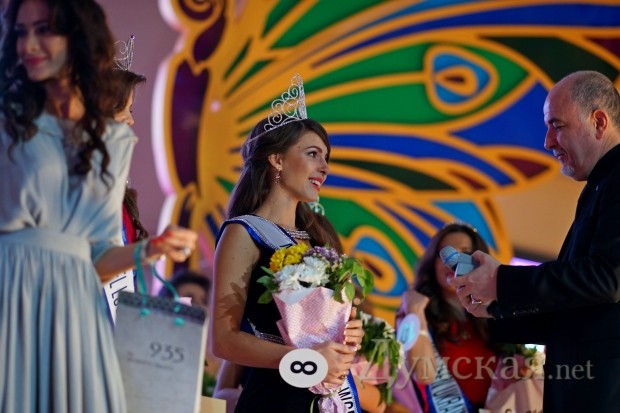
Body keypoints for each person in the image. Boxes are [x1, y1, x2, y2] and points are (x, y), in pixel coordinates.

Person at [0, 1, 196, 411]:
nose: (29, 44)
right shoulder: (10, 123)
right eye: (21, 31)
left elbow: (97, 259)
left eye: (44, 30)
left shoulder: (108, 145)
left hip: (73, 318)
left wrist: (150, 249)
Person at [450, 70, 620, 412]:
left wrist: (501, 281)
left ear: (599, 122)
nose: (547, 142)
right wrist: (494, 306)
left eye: (557, 126)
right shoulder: (600, 185)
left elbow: (608, 278)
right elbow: (576, 311)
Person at [209, 74, 364, 412]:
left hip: (328, 398)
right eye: (313, 154)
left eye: (326, 158)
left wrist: (350, 332)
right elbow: (223, 340)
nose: (324, 167)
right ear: (276, 160)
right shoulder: (244, 232)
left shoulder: (319, 239)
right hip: (275, 399)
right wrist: (307, 360)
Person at [395, 223, 502, 412]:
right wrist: (415, 311)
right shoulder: (414, 311)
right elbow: (424, 374)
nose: (454, 260)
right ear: (433, 263)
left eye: (465, 253)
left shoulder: (496, 313)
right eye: (445, 253)